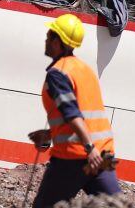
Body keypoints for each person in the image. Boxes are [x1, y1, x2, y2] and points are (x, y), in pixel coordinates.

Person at [28, 13, 120, 208]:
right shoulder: (85, 70)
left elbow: (72, 114)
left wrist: (88, 148)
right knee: (116, 205)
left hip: (75, 158)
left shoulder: (58, 73)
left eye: (50, 35)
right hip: (102, 155)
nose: (46, 39)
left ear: (58, 41)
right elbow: (85, 114)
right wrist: (50, 134)